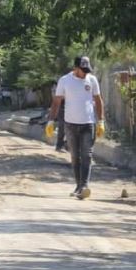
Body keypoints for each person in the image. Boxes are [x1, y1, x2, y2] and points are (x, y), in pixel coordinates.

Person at [47, 56, 105, 199]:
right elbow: (57, 101)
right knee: (75, 156)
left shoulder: (91, 80)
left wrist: (101, 121)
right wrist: (51, 121)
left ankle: (84, 186)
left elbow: (98, 100)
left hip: (88, 124)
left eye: (87, 70)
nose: (85, 73)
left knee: (87, 155)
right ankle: (79, 186)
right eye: (82, 70)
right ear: (75, 68)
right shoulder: (65, 80)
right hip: (70, 124)